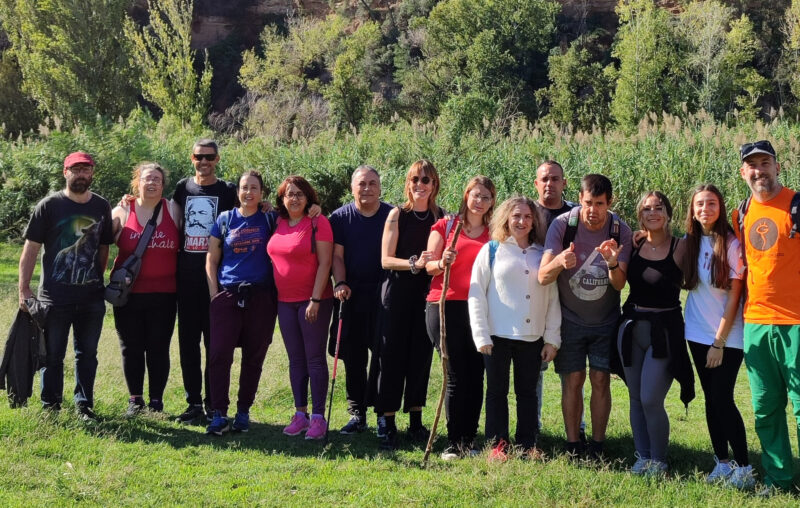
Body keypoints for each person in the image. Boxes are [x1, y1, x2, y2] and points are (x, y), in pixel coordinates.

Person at [539, 173, 632, 459]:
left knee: (601, 380)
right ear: (579, 199)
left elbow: (619, 284)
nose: (593, 210)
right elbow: (543, 276)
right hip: (570, 320)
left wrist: (613, 262)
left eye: (600, 204)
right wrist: (558, 261)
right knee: (573, 380)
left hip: (606, 321)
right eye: (588, 202)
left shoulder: (620, 230)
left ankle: (597, 445)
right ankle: (573, 445)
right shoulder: (563, 226)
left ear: (610, 203)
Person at [18, 152, 114, 421]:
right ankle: (51, 407)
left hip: (91, 298)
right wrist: (24, 289)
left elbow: (104, 247)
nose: (81, 174)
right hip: (54, 298)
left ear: (92, 174)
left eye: (86, 170)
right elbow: (31, 250)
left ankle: (84, 405)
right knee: (52, 355)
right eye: (76, 170)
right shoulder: (49, 206)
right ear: (65, 172)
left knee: (88, 355)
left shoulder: (101, 206)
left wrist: (97, 277)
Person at [469, 196, 560, 461]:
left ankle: (527, 443)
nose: (521, 221)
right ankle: (497, 444)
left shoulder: (543, 254)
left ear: (534, 222)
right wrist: (481, 334)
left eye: (528, 217)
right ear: (506, 218)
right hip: (497, 335)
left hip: (532, 336)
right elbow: (476, 294)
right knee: (497, 391)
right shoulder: (492, 250)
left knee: (527, 392)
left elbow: (553, 299)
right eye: (516, 216)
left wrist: (552, 339)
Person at [732, 140, 800, 493]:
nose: (759, 170)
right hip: (756, 323)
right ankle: (778, 478)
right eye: (752, 165)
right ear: (743, 172)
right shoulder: (740, 212)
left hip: (796, 323)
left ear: (777, 166)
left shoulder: (795, 204)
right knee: (765, 408)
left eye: (765, 162)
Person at [616, 192, 694, 476]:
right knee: (635, 398)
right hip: (632, 327)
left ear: (668, 213)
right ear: (640, 216)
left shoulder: (681, 247)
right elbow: (617, 281)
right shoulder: (633, 244)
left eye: (658, 208)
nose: (652, 213)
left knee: (650, 398)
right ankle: (643, 457)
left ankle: (659, 460)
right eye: (646, 209)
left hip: (665, 331)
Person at [682, 184, 753, 488]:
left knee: (723, 398)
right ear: (693, 210)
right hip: (695, 333)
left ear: (720, 207)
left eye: (711, 203)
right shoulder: (689, 242)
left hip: (726, 336)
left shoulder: (732, 244)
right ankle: (722, 462)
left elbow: (734, 298)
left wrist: (719, 342)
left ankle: (745, 467)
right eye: (699, 204)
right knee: (711, 399)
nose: (705, 209)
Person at [425, 176, 495, 460]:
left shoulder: (494, 233)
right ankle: (454, 442)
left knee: (476, 374)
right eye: (475, 195)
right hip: (445, 305)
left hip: (480, 308)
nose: (479, 201)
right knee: (455, 375)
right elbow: (428, 265)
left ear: (492, 203)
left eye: (486, 197)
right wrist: (442, 263)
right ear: (466, 195)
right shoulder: (446, 226)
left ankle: (470, 438)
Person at [375, 159, 443, 450]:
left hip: (427, 296)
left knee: (420, 356)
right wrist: (414, 263)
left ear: (434, 185)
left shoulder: (441, 216)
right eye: (415, 180)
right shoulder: (397, 215)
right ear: (408, 183)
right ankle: (386, 421)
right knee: (391, 357)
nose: (420, 186)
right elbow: (385, 259)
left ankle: (416, 421)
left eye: (426, 180)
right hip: (397, 293)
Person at [204, 171, 278, 435]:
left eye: (254, 188)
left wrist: (315, 207)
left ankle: (243, 411)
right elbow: (211, 259)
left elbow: (298, 219)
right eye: (245, 188)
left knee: (254, 356)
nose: (249, 192)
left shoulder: (270, 218)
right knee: (219, 355)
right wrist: (215, 294)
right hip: (227, 296)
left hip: (261, 297)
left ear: (262, 192)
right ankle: (219, 413)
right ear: (238, 192)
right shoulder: (224, 220)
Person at [172, 139, 237, 424]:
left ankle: (214, 403)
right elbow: (168, 221)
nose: (204, 161)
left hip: (218, 280)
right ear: (192, 158)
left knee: (215, 344)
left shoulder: (228, 190)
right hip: (185, 278)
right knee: (188, 343)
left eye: (210, 157)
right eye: (199, 156)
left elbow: (249, 211)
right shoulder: (182, 188)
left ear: (218, 159)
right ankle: (193, 403)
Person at [111, 162, 181, 417]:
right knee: (131, 347)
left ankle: (156, 403)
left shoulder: (173, 209)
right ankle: (135, 401)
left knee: (159, 347)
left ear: (163, 185)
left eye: (157, 180)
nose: (152, 183)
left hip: (165, 293)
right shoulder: (123, 209)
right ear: (137, 183)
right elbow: (104, 236)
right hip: (128, 294)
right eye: (147, 179)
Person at [268, 176, 335, 441]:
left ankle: (318, 418)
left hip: (313, 301)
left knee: (314, 358)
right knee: (295, 360)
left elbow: (325, 263)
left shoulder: (318, 223)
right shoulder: (277, 221)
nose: (294, 198)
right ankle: (300, 414)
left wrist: (315, 299)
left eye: (299, 194)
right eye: (289, 194)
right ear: (282, 199)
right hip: (284, 301)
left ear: (308, 198)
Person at [330, 166, 393, 434]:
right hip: (350, 295)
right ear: (352, 188)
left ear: (380, 187)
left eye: (372, 183)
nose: (366, 188)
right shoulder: (340, 217)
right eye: (361, 184)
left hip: (385, 296)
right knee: (353, 359)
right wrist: (340, 283)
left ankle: (382, 413)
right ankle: (357, 413)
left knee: (382, 357)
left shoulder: (393, 215)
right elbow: (336, 256)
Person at [532, 160, 583, 440]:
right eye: (544, 179)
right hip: (536, 299)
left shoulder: (575, 214)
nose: (549, 183)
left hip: (572, 300)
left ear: (564, 183)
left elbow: (607, 223)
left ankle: (579, 429)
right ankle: (534, 428)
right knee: (534, 368)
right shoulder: (528, 213)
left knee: (572, 371)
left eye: (555, 179)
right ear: (536, 184)